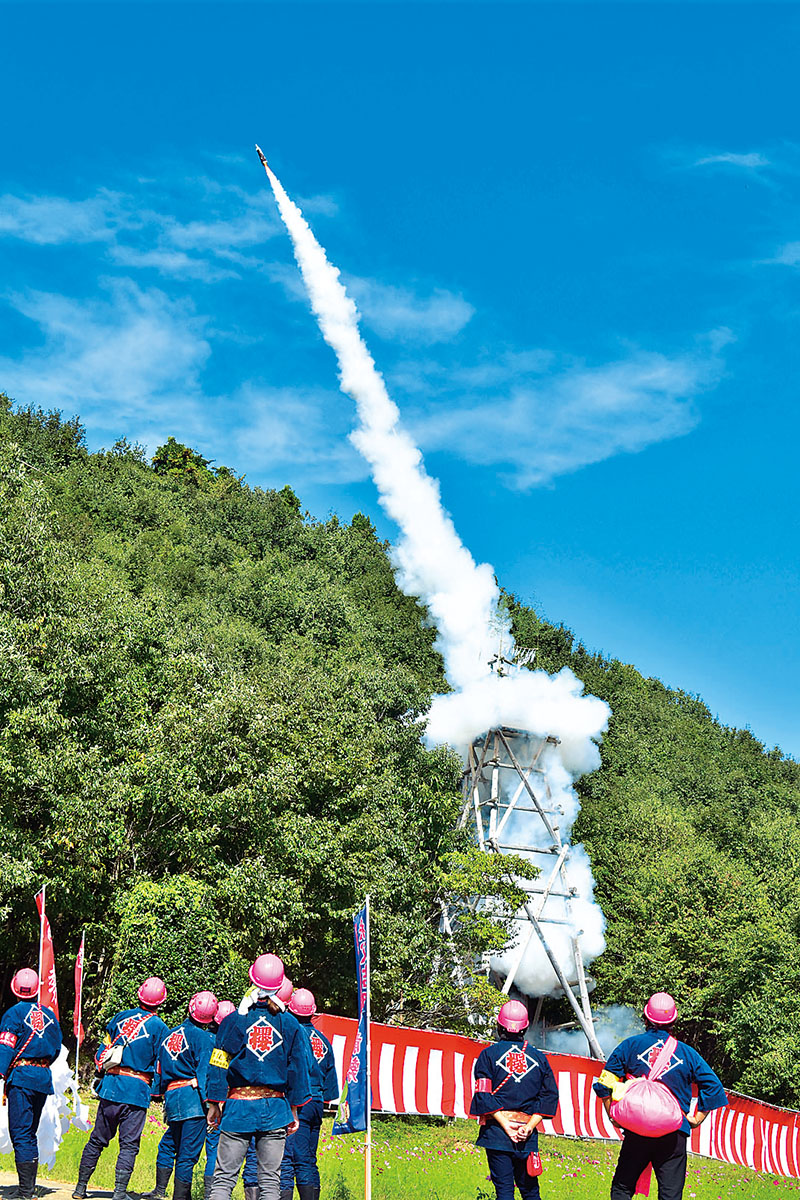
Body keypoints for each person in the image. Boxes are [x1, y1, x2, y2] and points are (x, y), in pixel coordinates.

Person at [593, 991, 728, 1200]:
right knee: (670, 1194)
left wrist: (612, 1113)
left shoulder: (630, 1045)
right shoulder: (687, 1053)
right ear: (673, 1020)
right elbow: (713, 1086)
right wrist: (697, 1119)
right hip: (673, 1133)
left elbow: (605, 1083)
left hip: (636, 1129)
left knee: (622, 1187)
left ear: (646, 1017)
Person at [206, 954, 311, 1200]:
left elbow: (219, 1062)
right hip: (275, 1108)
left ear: (252, 980)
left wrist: (214, 1102)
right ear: (280, 985)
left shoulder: (233, 1021)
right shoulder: (290, 1024)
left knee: (223, 1179)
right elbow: (296, 1069)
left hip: (238, 1108)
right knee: (271, 1182)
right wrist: (294, 1109)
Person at [72, 977, 170, 1200]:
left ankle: (80, 1188)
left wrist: (100, 1075)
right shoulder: (161, 1028)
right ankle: (118, 1193)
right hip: (137, 1091)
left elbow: (103, 1050)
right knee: (129, 1145)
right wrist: (158, 1093)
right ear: (160, 1002)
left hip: (112, 1087)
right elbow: (160, 1064)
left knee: (97, 1139)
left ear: (139, 995)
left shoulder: (120, 1017)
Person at [469, 1000, 559, 1200]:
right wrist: (529, 1126)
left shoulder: (488, 1055)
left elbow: (483, 1094)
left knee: (504, 1192)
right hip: (526, 1134)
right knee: (530, 1192)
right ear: (525, 1028)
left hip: (497, 1134)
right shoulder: (539, 1058)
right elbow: (549, 1095)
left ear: (499, 1025)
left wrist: (506, 1126)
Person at [0, 968, 63, 1200]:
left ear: (15, 989)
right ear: (37, 990)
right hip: (42, 1077)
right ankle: (28, 1188)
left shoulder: (13, 1014)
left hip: (23, 1078)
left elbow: (6, 1046)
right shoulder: (49, 1015)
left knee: (21, 1132)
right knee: (29, 1132)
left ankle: (26, 1192)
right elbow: (56, 1048)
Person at [150, 991, 219, 1200]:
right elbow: (204, 1073)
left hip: (172, 1098)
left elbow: (159, 1069)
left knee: (168, 1145)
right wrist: (211, 1104)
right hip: (192, 1101)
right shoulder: (204, 1038)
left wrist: (157, 1093)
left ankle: (159, 1191)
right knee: (187, 1156)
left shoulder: (169, 1035)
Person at [280, 987, 339, 1200]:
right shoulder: (323, 1040)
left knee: (290, 1158)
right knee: (309, 1159)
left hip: (299, 1101)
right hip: (318, 1103)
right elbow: (331, 1088)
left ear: (291, 1009)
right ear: (312, 1012)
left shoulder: (292, 1035)